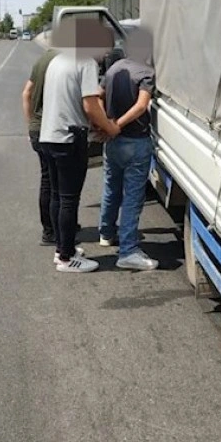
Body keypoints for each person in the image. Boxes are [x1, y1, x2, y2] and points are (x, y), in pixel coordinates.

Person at [39, 19, 120, 272]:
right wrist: (110, 127)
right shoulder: (85, 62)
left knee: (57, 196)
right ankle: (66, 258)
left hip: (49, 136)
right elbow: (89, 105)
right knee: (69, 199)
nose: (105, 53)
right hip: (70, 139)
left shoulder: (58, 60)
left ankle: (62, 248)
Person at [98, 27, 158, 271]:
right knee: (132, 197)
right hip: (136, 142)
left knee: (111, 188)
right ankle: (128, 250)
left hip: (112, 143)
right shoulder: (146, 73)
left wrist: (107, 123)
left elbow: (98, 95)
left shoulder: (113, 69)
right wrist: (118, 124)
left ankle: (106, 233)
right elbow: (142, 106)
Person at [21, 47, 58, 246]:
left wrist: (31, 125)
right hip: (54, 129)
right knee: (58, 182)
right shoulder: (64, 61)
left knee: (47, 179)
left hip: (37, 128)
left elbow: (26, 93)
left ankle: (49, 228)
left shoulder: (41, 60)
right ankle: (53, 230)